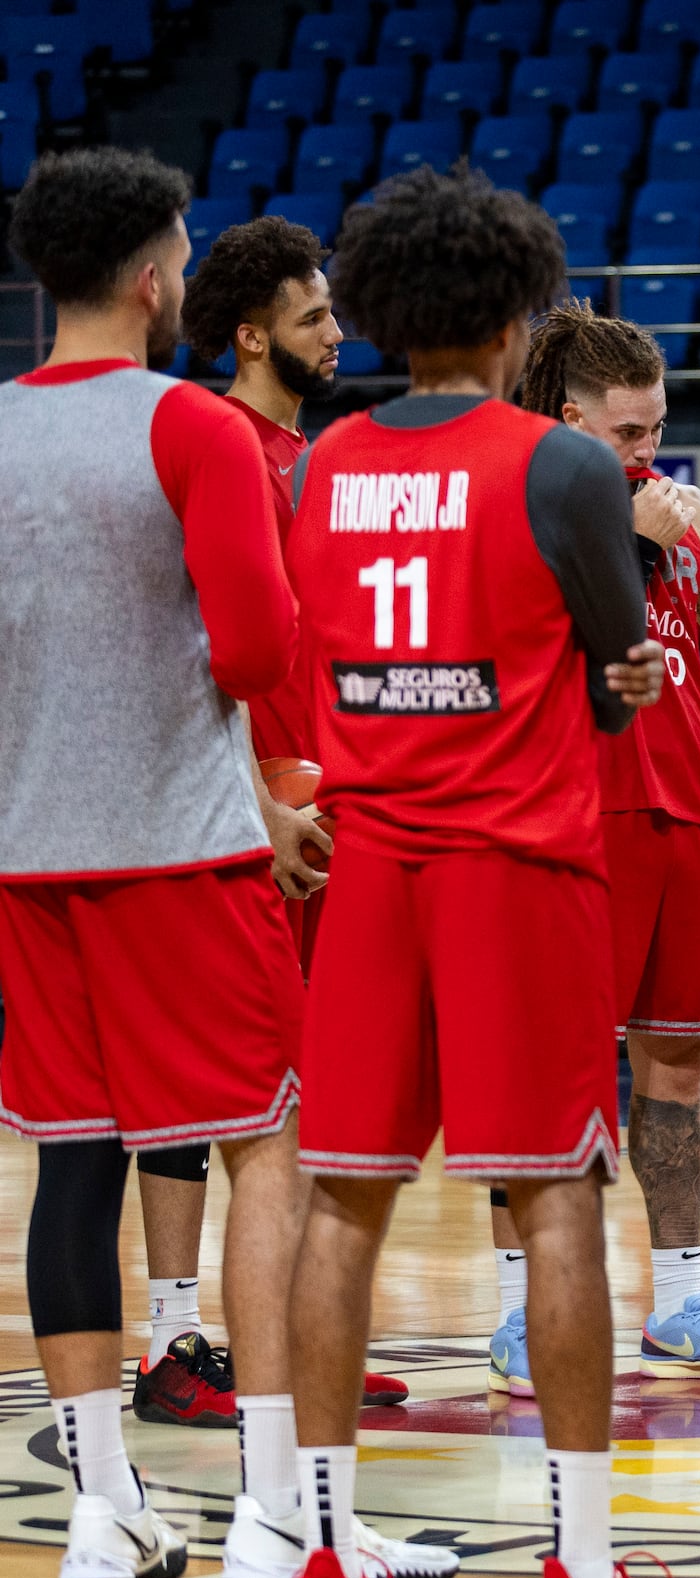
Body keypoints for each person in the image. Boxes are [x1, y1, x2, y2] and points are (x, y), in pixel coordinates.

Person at [278, 166, 700, 1578]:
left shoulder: (320, 467)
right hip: (517, 870)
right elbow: (618, 668)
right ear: (521, 317)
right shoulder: (564, 467)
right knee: (556, 1206)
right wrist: (629, 680)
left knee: (341, 1203)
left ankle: (323, 1570)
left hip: (370, 868)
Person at [0, 148, 442, 1578]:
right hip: (183, 851)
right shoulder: (188, 425)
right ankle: (275, 1508)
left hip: (27, 856)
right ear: (151, 279)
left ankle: (103, 1510)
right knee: (274, 1149)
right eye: (183, 255)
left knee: (73, 1163)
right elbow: (256, 649)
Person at [480, 300, 700, 1397]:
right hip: (568, 821)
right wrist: (622, 538)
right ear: (568, 419)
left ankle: (680, 1304)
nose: (649, 450)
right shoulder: (516, 498)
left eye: (658, 427)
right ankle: (518, 1316)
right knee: (548, 1074)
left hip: (687, 818)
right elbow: (502, 647)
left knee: (678, 1069)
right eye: (628, 431)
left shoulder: (692, 518)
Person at [132, 215, 415, 1437]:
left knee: (307, 1083)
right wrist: (253, 792)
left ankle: (296, 1330)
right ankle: (171, 1343)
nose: (337, 332)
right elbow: (200, 648)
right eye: (313, 316)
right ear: (252, 336)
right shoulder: (215, 445)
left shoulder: (324, 459)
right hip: (234, 808)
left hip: (326, 805)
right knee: (208, 1089)